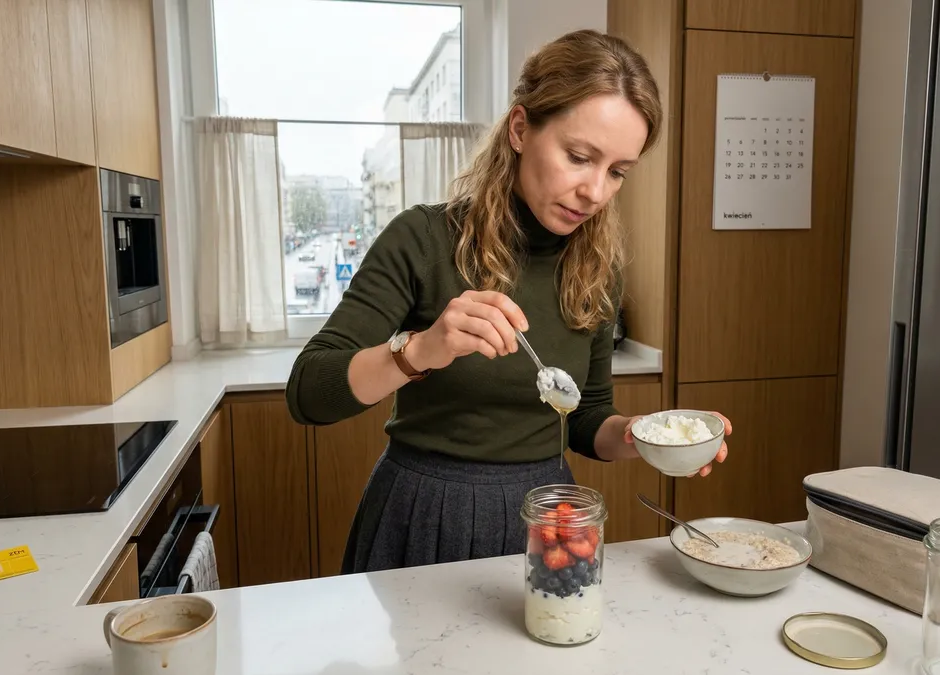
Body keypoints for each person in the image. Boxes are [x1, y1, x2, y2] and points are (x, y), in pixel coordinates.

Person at [286, 29, 731, 575]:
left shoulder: (596, 267)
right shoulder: (422, 240)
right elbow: (310, 391)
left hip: (550, 518)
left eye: (617, 172)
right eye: (578, 156)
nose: (595, 191)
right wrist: (420, 350)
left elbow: (587, 417)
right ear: (520, 129)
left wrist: (650, 437)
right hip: (425, 512)